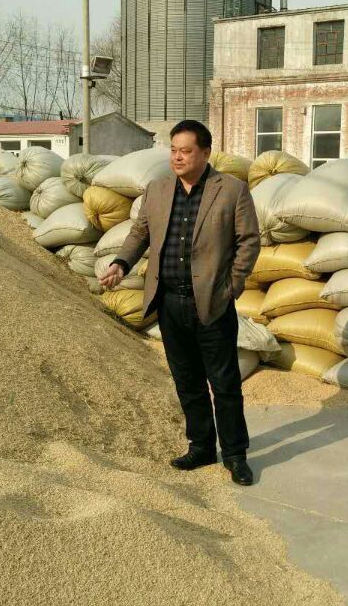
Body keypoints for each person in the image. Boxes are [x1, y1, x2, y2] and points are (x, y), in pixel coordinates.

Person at [100, 120, 261, 486]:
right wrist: (121, 263)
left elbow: (249, 241)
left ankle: (235, 455)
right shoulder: (157, 189)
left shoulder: (231, 190)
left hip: (212, 303)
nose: (177, 157)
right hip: (170, 301)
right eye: (173, 150)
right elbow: (140, 232)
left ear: (205, 153)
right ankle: (201, 447)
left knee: (225, 384)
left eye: (185, 151)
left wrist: (231, 286)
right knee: (187, 382)